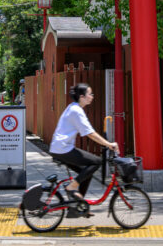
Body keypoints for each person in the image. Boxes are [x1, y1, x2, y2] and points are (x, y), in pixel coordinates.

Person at [49, 82, 118, 210]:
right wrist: (109, 144)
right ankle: (71, 187)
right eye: (90, 94)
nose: (92, 96)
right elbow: (90, 133)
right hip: (63, 149)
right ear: (82, 96)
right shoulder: (76, 111)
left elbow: (88, 132)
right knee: (96, 162)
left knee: (86, 172)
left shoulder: (73, 107)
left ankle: (78, 206)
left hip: (60, 148)